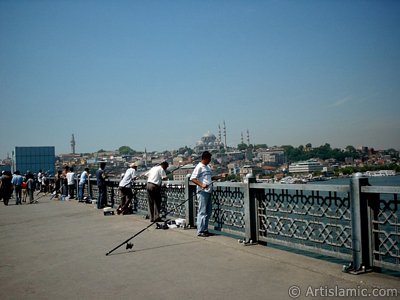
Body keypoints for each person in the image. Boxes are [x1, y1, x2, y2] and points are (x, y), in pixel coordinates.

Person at [190, 151, 226, 237]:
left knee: (208, 212)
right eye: (209, 159)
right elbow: (193, 178)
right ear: (205, 158)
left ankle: (205, 229)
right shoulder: (199, 167)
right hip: (202, 192)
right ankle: (200, 231)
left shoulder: (207, 167)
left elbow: (211, 178)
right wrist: (202, 184)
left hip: (209, 191)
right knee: (202, 211)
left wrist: (221, 176)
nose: (210, 160)